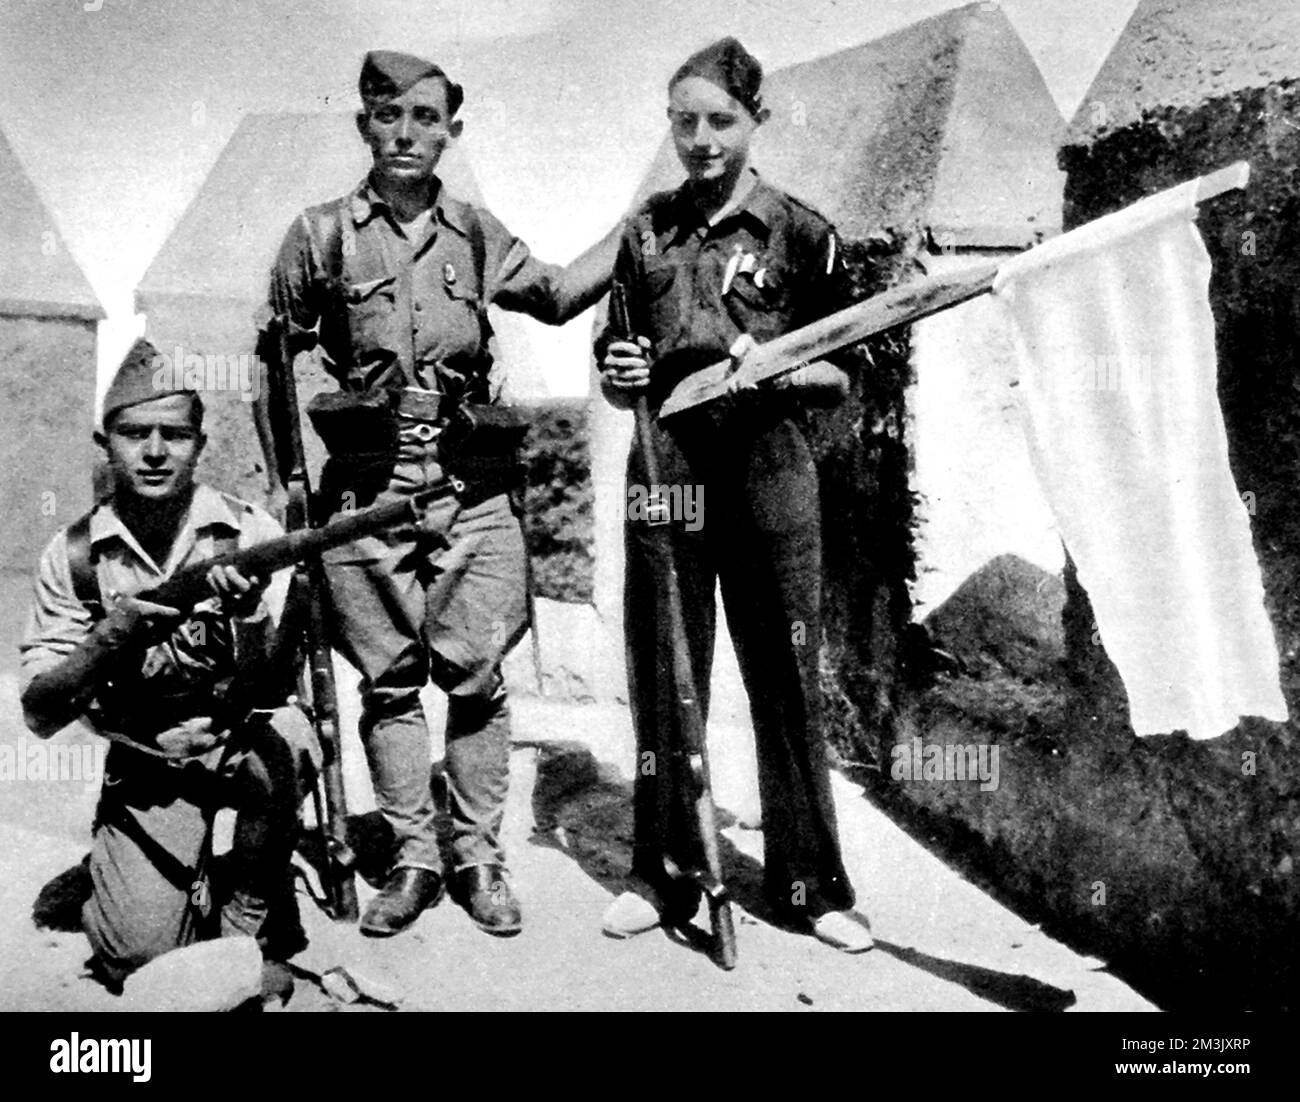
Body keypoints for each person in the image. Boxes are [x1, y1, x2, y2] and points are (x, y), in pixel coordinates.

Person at [254, 50, 620, 938]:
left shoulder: (478, 233)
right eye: (389, 116)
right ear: (363, 126)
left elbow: (565, 293)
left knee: (478, 676)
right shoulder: (321, 234)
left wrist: (645, 223)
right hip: (367, 486)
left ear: (451, 130)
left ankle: (478, 856)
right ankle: (414, 858)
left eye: (425, 117)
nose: (406, 133)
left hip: (472, 483)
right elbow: (273, 359)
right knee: (388, 681)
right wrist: (287, 488)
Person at [596, 37, 873, 953]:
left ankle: (811, 885)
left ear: (757, 120)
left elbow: (847, 377)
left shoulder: (803, 231)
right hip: (666, 472)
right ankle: (663, 874)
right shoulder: (645, 231)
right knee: (666, 676)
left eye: (721, 120)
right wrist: (619, 365)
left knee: (786, 679)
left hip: (769, 476)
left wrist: (786, 371)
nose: (702, 140)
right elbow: (614, 359)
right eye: (685, 122)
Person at [20, 339, 319, 992]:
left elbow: (274, 689)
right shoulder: (74, 556)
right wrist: (109, 638)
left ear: (199, 444)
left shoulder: (248, 533)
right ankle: (111, 872)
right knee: (137, 960)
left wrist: (249, 622)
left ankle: (247, 909)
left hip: (240, 740)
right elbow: (40, 710)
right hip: (148, 759)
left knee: (290, 740)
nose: (155, 451)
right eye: (135, 433)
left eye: (173, 435)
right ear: (107, 443)